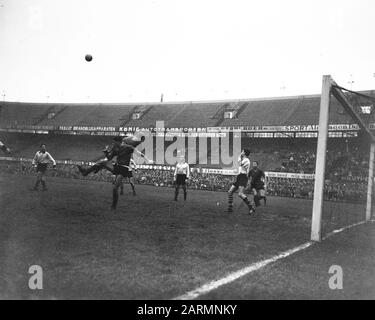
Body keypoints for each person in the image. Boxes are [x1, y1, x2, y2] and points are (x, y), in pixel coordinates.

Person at [77, 133, 150, 211]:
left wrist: (147, 160)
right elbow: (109, 158)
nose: (113, 144)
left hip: (124, 169)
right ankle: (85, 172)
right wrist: (106, 152)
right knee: (102, 162)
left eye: (114, 142)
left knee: (115, 188)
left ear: (119, 142)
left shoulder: (128, 147)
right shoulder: (115, 148)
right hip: (117, 166)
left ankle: (113, 206)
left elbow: (139, 153)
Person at [227, 149, 254, 214]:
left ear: (244, 153)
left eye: (242, 151)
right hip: (240, 177)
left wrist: (239, 155)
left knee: (240, 194)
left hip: (243, 177)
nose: (241, 152)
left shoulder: (247, 160)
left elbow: (239, 164)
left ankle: (251, 207)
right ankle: (230, 208)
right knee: (230, 192)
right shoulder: (244, 159)